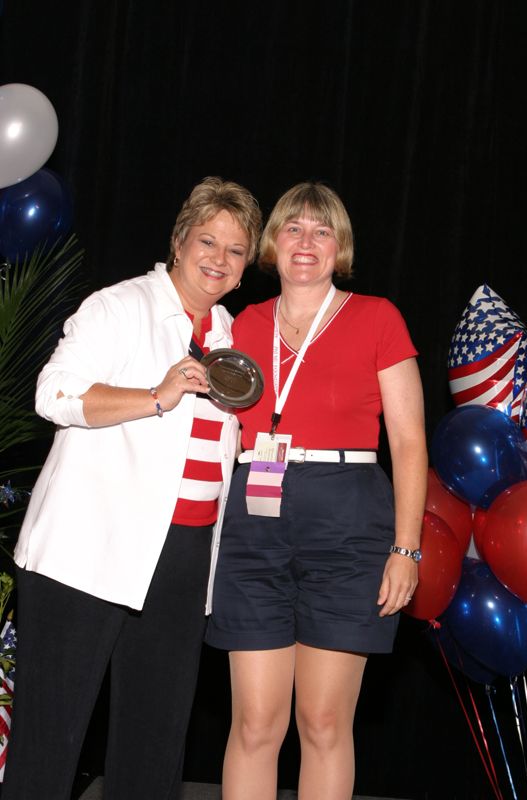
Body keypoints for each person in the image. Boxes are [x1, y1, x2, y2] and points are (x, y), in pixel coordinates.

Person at [2, 177, 262, 800]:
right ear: (178, 241)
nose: (218, 259)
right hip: (87, 553)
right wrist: (155, 396)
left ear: (248, 263)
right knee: (50, 739)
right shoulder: (118, 307)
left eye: (235, 250)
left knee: (155, 746)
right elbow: (52, 393)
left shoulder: (233, 337)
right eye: (207, 240)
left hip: (182, 558)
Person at [205, 182, 428, 800]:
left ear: (340, 248)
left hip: (349, 525)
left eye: (322, 230)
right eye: (294, 229)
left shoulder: (377, 317)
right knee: (254, 724)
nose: (307, 241)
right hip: (253, 524)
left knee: (324, 722)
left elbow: (409, 442)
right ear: (273, 244)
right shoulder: (239, 325)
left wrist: (406, 550)